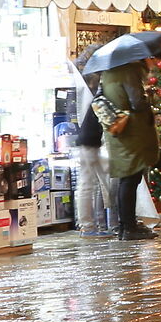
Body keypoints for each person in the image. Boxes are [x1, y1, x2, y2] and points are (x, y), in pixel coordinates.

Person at [94, 48, 161, 242]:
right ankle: (129, 227)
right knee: (130, 179)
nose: (155, 64)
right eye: (154, 59)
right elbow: (136, 102)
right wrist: (146, 97)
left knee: (127, 178)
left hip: (118, 130)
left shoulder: (110, 72)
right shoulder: (131, 71)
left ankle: (125, 226)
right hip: (131, 131)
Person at [71, 102, 111, 237]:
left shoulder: (100, 98)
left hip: (90, 142)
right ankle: (87, 227)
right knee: (87, 184)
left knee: (91, 184)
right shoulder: (103, 99)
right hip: (89, 144)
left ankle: (92, 226)